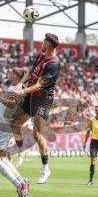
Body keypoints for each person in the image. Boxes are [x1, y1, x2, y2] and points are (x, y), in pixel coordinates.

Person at [9, 33, 60, 184]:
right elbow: (31, 72)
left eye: (44, 41)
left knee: (37, 134)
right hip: (32, 95)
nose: (42, 43)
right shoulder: (42, 56)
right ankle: (22, 150)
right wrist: (20, 84)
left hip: (43, 99)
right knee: (15, 124)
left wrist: (22, 91)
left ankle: (46, 168)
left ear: (48, 44)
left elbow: (39, 85)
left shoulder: (54, 64)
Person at [0, 67, 30, 197]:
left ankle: (19, 184)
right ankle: (21, 181)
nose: (8, 73)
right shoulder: (14, 87)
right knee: (1, 158)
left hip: (2, 125)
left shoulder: (15, 90)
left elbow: (11, 104)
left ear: (14, 76)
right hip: (1, 124)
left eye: (10, 72)